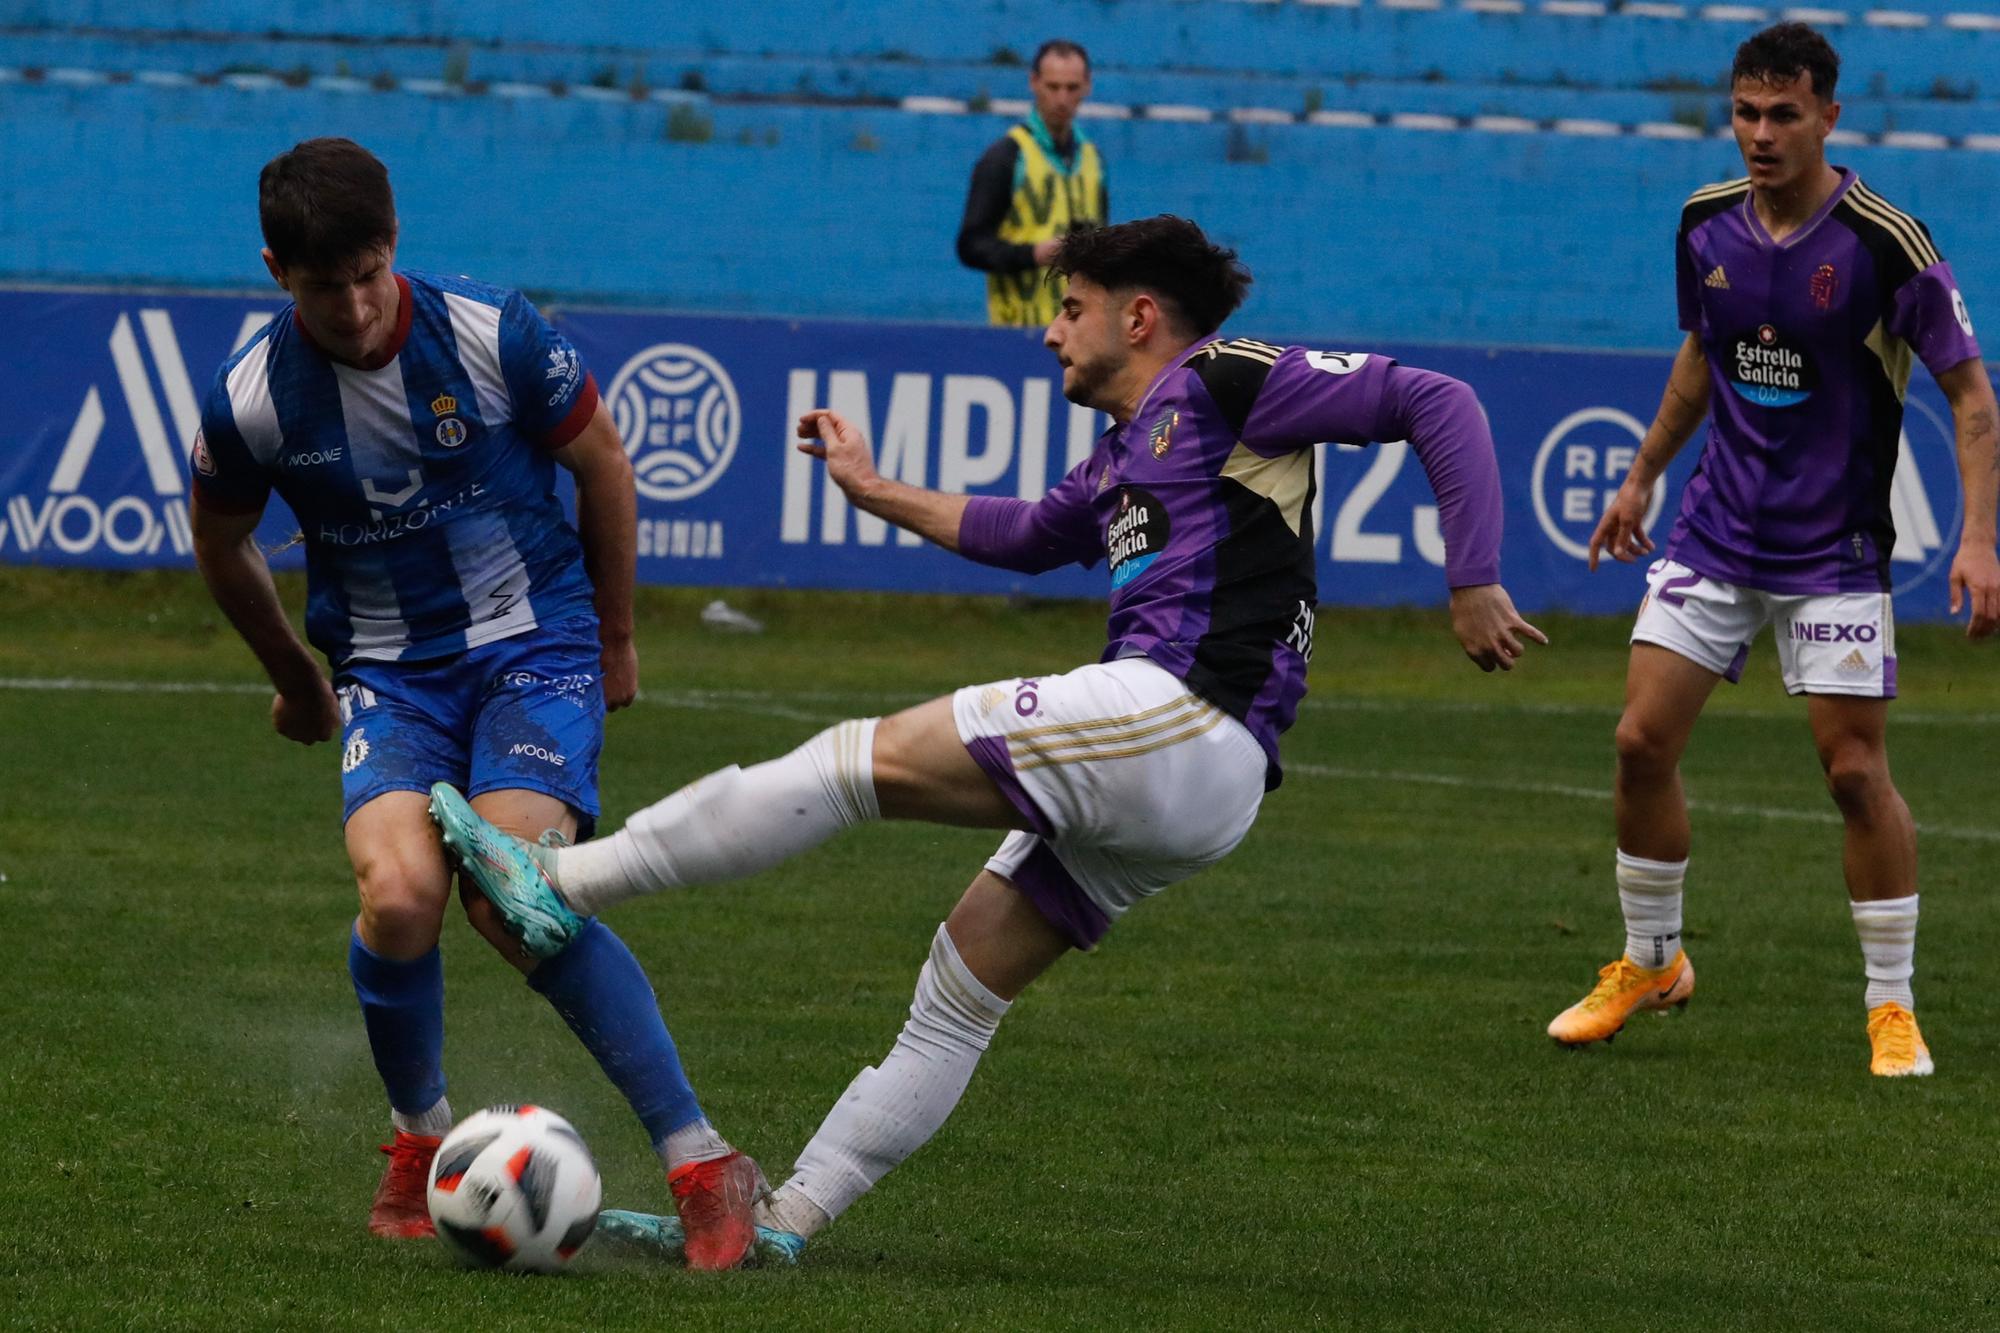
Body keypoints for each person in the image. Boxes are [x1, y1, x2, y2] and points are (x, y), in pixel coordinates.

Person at [431, 214, 1546, 1264]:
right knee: (959, 988)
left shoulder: (1224, 377)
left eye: (1068, 306)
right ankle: (784, 1218)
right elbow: (1019, 535)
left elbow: (1436, 399)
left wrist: (1473, 577)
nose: (1049, 328)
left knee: (845, 763)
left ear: (1139, 315)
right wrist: (869, 486)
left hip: (1179, 713)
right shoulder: (1125, 451)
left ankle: (561, 878)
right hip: (1209, 786)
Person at [188, 137, 765, 1269]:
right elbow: (218, 537)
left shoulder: (491, 332)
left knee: (516, 903)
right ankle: (416, 1142)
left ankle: (703, 1160)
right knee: (400, 899)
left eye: (368, 273)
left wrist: (613, 635)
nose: (353, 307)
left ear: (393, 243)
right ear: (275, 271)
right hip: (389, 676)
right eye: (322, 287)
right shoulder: (254, 397)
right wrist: (295, 680)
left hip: (533, 649)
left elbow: (601, 457)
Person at [1546, 23, 1998, 1075]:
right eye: (1744, 113)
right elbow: (1701, 357)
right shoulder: (1703, 224)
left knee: (1851, 772)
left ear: (1827, 118)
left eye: (1781, 114)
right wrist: (1640, 472)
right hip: (1713, 531)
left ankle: (1890, 1006)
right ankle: (1650, 960)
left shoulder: (1888, 242)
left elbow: (1970, 398)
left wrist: (1977, 539)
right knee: (1635, 744)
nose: (1758, 134)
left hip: (1832, 551)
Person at [956, 38, 1108, 327]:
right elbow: (971, 245)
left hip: (1080, 332)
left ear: (1087, 86)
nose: (1062, 99)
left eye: (1072, 88)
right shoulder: (1006, 156)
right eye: (1053, 87)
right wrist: (1034, 254)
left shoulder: (1093, 159)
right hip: (1018, 327)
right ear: (1034, 83)